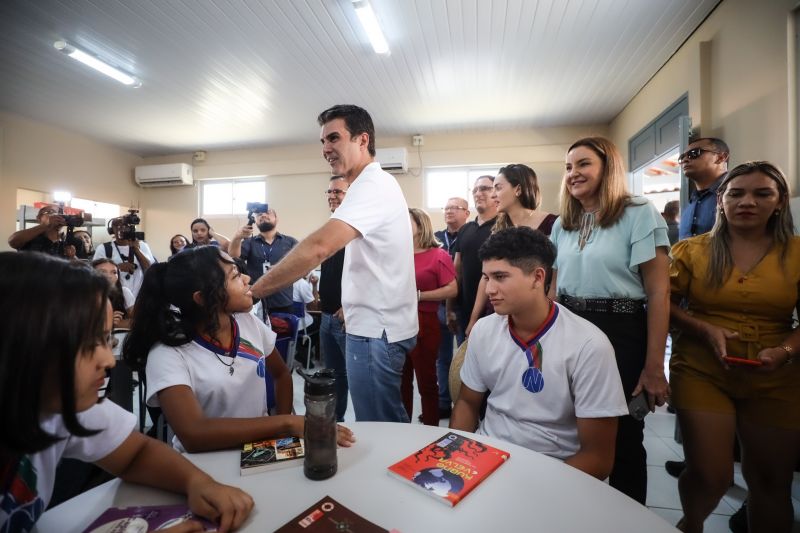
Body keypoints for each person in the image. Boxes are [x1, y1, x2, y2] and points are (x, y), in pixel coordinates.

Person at [0, 252, 253, 532]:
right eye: (87, 343)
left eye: (107, 339)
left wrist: (198, 483)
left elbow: (136, 452)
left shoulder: (61, 407)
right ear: (18, 350)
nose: (108, 361)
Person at [250, 104, 418, 423]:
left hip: (374, 329)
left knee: (380, 423)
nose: (326, 148)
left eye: (334, 138)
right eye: (323, 141)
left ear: (362, 140)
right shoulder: (367, 186)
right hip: (374, 325)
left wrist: (255, 292)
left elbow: (318, 248)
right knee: (384, 416)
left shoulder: (372, 186)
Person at [668, 162, 800, 533]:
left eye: (762, 194)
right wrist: (703, 328)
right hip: (702, 368)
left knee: (771, 482)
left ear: (779, 202)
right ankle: (690, 523)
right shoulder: (692, 251)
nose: (747, 202)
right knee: (711, 473)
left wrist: (785, 352)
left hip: (777, 375)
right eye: (736, 193)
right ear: (721, 202)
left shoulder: (796, 252)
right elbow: (662, 305)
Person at [122, 246, 355, 453]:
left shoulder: (248, 323)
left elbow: (282, 374)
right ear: (202, 298)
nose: (246, 278)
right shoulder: (168, 354)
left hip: (260, 450)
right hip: (207, 463)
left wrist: (283, 428)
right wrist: (287, 423)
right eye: (234, 276)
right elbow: (193, 434)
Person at [450, 227, 627, 479]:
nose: (489, 289)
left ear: (537, 277)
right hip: (486, 455)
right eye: (486, 277)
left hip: (553, 469)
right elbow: (468, 402)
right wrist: (457, 457)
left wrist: (530, 487)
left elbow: (597, 459)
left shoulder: (589, 345)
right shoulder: (484, 330)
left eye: (500, 277)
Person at [550, 136, 670, 504]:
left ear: (608, 168)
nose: (573, 173)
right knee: (571, 428)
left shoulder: (639, 212)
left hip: (621, 332)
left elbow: (658, 294)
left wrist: (653, 367)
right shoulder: (564, 223)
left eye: (583, 164)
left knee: (624, 437)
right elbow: (553, 289)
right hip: (568, 328)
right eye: (569, 167)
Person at [466, 164, 557, 335]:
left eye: (498, 188)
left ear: (518, 189)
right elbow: (486, 278)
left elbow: (556, 280)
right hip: (498, 313)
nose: (493, 195)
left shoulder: (553, 225)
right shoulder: (498, 230)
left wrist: (547, 318)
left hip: (535, 316)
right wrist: (474, 319)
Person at [402, 208, 456, 426]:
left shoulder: (439, 255)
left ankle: (431, 429)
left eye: (407, 221)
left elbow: (452, 289)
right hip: (398, 321)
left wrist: (419, 296)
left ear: (421, 225)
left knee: (426, 382)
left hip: (425, 323)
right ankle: (402, 428)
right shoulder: (398, 254)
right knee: (401, 382)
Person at [449, 176, 498, 335]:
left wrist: (475, 319)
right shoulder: (465, 229)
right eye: (475, 190)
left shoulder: (503, 226)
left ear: (496, 192)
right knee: (464, 358)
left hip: (494, 309)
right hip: (464, 309)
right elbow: (457, 271)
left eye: (484, 188)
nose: (478, 193)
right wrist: (450, 308)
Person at [318, 176, 350, 422]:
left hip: (345, 317)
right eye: (329, 191)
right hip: (326, 315)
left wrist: (349, 305)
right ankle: (335, 423)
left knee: (350, 375)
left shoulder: (354, 228)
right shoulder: (333, 226)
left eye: (338, 191)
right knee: (332, 374)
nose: (332, 195)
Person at [434, 197, 469, 419]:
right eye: (446, 208)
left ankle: (465, 405)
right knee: (442, 358)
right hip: (438, 304)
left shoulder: (471, 236)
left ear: (466, 212)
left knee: (466, 358)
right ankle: (444, 402)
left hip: (464, 304)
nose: (448, 211)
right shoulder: (435, 239)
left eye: (454, 208)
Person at [230, 207, 298, 314]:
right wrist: (237, 238)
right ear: (255, 220)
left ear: (276, 218)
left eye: (268, 212)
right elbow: (234, 258)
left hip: (283, 302)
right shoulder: (249, 242)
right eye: (259, 214)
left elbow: (302, 265)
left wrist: (284, 269)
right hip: (256, 303)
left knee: (282, 331)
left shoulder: (290, 242)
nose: (263, 215)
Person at [679, 137, 729, 240]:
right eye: (682, 157)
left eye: (694, 153)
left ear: (720, 158)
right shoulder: (691, 202)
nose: (685, 160)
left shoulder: (735, 194)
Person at [94, 217, 155, 299]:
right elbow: (95, 273)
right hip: (114, 296)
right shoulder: (104, 248)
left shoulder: (142, 245)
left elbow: (150, 269)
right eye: (117, 226)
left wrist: (136, 250)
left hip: (140, 297)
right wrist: (117, 268)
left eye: (125, 226)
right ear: (111, 230)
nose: (121, 229)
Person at [92, 258, 135, 330]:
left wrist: (119, 323)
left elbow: (139, 321)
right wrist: (107, 323)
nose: (109, 276)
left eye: (114, 272)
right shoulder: (82, 297)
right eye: (102, 272)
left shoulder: (124, 292)